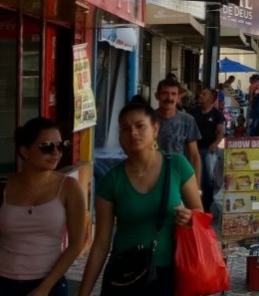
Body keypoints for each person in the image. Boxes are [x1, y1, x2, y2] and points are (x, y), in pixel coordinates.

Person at [76, 99, 203, 296]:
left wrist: (189, 218)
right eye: (125, 128)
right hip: (124, 276)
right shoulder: (111, 181)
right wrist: (83, 292)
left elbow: (199, 212)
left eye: (140, 126)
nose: (133, 133)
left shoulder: (177, 165)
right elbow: (101, 243)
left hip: (168, 276)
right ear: (120, 136)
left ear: (155, 129)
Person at [0, 117, 86, 296]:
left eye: (60, 146)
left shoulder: (69, 188)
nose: (56, 153)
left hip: (49, 285)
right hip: (1, 284)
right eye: (46, 147)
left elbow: (76, 244)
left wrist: (45, 288)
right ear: (25, 151)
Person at [154, 78, 201, 184]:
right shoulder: (148, 120)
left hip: (178, 178)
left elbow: (194, 155)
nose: (169, 98)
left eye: (173, 94)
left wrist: (197, 188)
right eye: (165, 93)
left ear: (179, 97)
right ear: (157, 96)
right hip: (152, 178)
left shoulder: (187, 120)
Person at [188, 88, 225, 213]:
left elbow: (220, 132)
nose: (200, 95)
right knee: (194, 177)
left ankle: (207, 206)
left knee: (208, 179)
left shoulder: (217, 114)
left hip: (209, 150)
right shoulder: (193, 113)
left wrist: (215, 144)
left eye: (204, 94)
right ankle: (196, 203)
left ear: (211, 98)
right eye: (201, 93)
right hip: (194, 150)